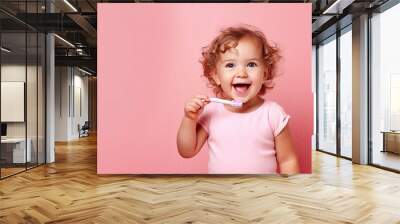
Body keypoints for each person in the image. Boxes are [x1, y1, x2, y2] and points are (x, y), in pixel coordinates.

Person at [176, 25, 300, 174]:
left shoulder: (273, 114)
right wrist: (189, 119)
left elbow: (288, 160)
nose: (241, 73)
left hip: (263, 194)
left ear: (265, 73)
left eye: (251, 64)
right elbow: (187, 151)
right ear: (216, 75)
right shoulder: (211, 112)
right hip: (222, 195)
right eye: (230, 65)